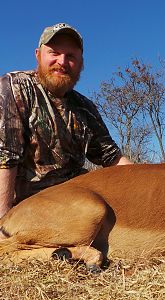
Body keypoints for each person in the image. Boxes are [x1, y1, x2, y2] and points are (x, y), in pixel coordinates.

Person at [0, 23, 132, 218]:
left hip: (76, 200)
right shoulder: (15, 87)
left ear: (81, 63)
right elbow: (5, 157)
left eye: (70, 56)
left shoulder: (85, 107)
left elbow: (112, 158)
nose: (62, 62)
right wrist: (3, 221)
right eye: (54, 53)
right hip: (29, 208)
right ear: (38, 55)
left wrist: (151, 180)